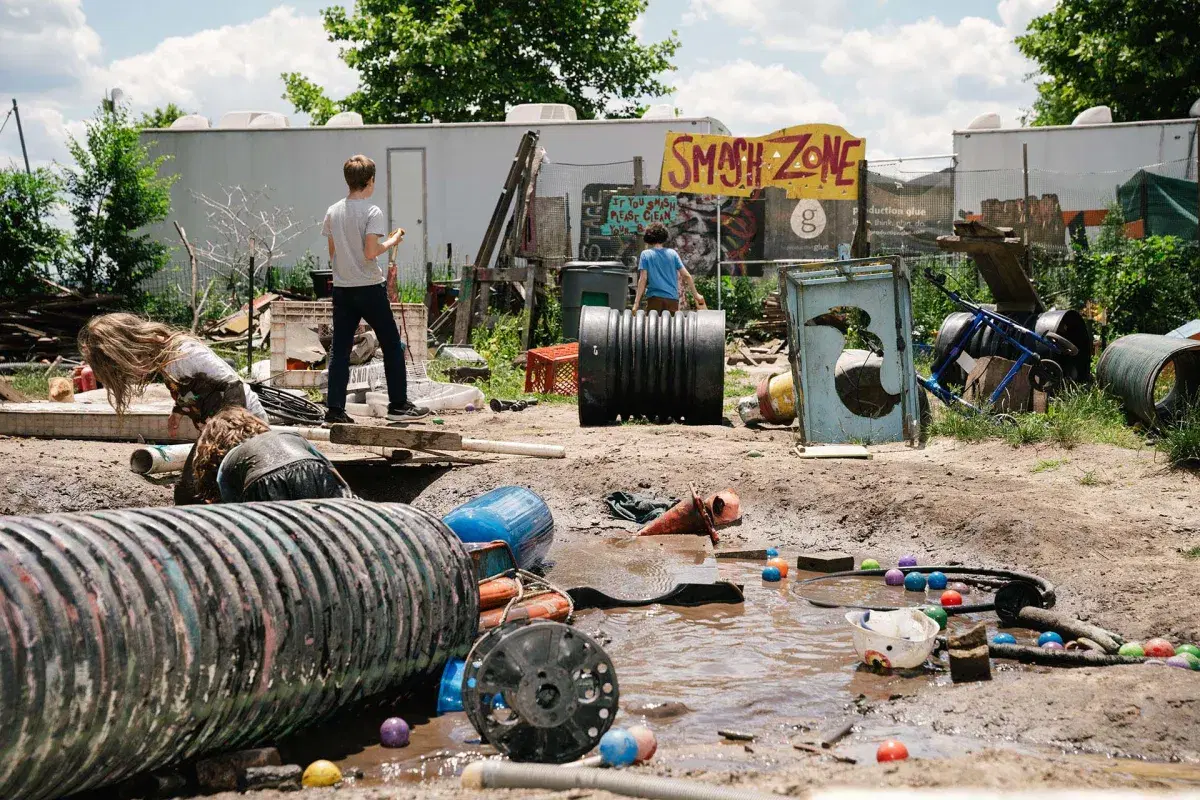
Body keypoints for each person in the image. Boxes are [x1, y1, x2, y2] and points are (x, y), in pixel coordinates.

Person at [79, 313, 271, 505]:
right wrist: (178, 411)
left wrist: (222, 430)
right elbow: (192, 389)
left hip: (245, 427)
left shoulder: (185, 354)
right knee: (191, 492)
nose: (133, 374)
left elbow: (234, 386)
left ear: (133, 346)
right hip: (220, 431)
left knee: (192, 494)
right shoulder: (166, 361)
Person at [322, 154, 429, 424]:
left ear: (348, 181)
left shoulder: (333, 211)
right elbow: (371, 252)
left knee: (340, 349)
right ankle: (398, 405)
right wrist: (392, 241)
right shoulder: (372, 212)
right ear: (370, 181)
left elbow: (332, 251)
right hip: (369, 287)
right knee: (392, 345)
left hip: (343, 289)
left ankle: (334, 409)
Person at [192, 406, 353, 503]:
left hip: (263, 481)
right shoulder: (290, 437)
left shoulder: (230, 460)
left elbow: (233, 510)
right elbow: (330, 468)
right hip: (313, 467)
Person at [631, 222, 706, 314]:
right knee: (671, 327)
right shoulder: (672, 254)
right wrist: (696, 295)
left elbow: (643, 279)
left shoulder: (646, 254)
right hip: (672, 300)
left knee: (653, 327)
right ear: (664, 237)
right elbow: (687, 276)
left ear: (648, 237)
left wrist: (636, 303)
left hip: (654, 299)